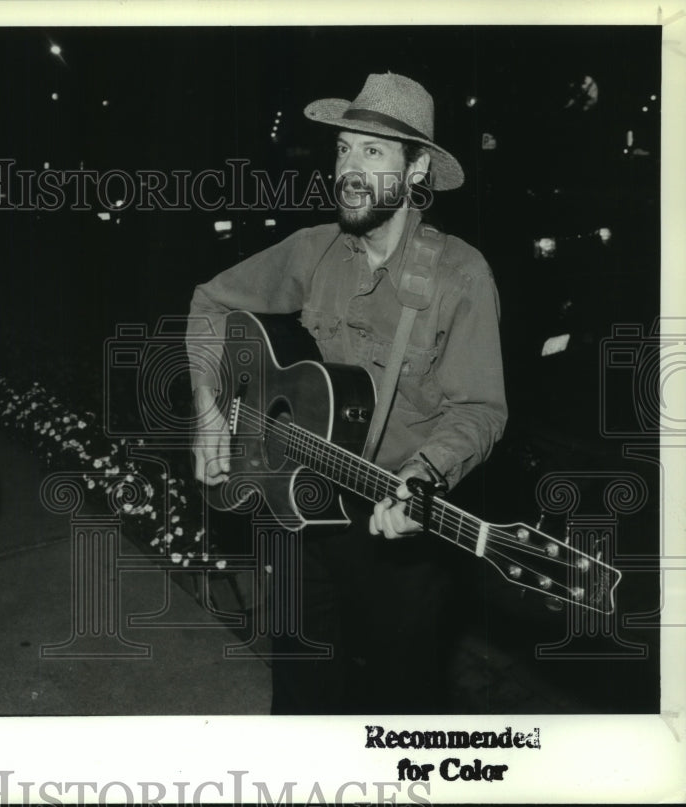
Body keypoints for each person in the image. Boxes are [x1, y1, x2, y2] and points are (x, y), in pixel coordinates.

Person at [188, 73, 507, 713]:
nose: (349, 169)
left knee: (399, 710)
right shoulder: (315, 250)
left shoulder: (459, 274)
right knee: (301, 699)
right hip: (299, 515)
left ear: (417, 170)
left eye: (373, 151)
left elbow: (480, 409)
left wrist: (422, 475)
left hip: (400, 534)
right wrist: (210, 412)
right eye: (343, 149)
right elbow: (211, 303)